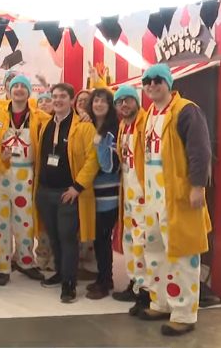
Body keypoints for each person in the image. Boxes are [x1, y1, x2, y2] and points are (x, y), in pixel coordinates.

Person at [137, 64, 212, 336]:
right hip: (153, 197)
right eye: (148, 81)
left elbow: (200, 151)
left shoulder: (186, 110)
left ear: (168, 83)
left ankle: (184, 313)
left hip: (178, 196)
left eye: (158, 80)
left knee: (183, 255)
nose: (152, 85)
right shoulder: (148, 115)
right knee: (155, 252)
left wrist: (197, 186)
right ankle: (161, 302)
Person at [36, 82, 99, 303]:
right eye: (54, 96)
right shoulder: (45, 123)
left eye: (63, 96)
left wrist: (78, 186)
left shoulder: (83, 126)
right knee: (53, 237)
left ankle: (69, 283)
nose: (58, 100)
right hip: (44, 192)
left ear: (71, 100)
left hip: (68, 193)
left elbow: (94, 158)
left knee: (67, 238)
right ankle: (61, 273)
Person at [0, 75, 49, 285]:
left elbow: (64, 118)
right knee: (0, 221)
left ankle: (25, 261)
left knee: (25, 221)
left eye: (24, 86)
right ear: (9, 90)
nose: (19, 89)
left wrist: (83, 116)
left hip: (26, 175)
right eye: (16, 86)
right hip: (0, 174)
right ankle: (2, 265)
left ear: (29, 92)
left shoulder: (39, 116)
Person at [111, 84, 151, 314]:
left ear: (137, 101)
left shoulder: (146, 123)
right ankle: (135, 283)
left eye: (128, 100)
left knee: (143, 242)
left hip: (144, 193)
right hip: (128, 193)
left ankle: (147, 290)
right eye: (120, 101)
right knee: (130, 240)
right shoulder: (123, 126)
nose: (124, 104)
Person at [85, 88, 120, 299]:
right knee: (97, 239)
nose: (98, 104)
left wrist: (99, 144)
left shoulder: (113, 131)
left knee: (103, 238)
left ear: (110, 106)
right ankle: (101, 277)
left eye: (103, 101)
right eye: (96, 100)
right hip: (91, 194)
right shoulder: (87, 127)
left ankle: (106, 281)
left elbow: (109, 166)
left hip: (109, 196)